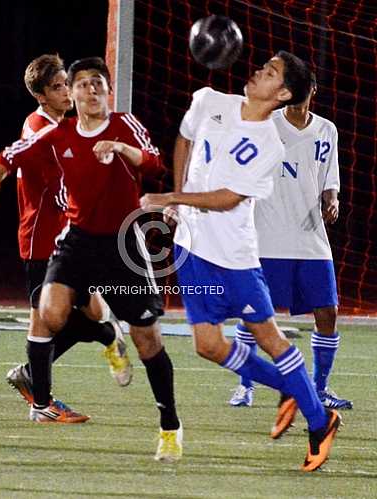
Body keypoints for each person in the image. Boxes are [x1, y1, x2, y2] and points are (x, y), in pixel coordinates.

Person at [140, 51, 342, 472]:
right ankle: (289, 387)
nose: (257, 72)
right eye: (262, 66)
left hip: (234, 258)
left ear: (283, 93)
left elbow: (229, 198)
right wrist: (179, 200)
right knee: (208, 345)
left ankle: (320, 421)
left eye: (269, 73)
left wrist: (171, 198)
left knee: (268, 337)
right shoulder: (209, 100)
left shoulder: (271, 143)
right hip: (192, 250)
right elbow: (184, 138)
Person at [0, 57, 182, 463]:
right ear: (72, 94)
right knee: (50, 313)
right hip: (76, 240)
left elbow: (154, 163)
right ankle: (50, 387)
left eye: (97, 83)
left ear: (107, 91)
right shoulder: (55, 132)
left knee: (147, 339)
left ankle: (169, 425)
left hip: (123, 244)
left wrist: (119, 149)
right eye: (80, 84)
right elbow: (12, 153)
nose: (89, 89)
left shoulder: (124, 125)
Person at [0, 54, 132, 423]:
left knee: (91, 309)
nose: (67, 90)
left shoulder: (65, 126)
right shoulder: (38, 126)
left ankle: (40, 373)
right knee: (45, 319)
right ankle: (42, 403)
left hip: (68, 237)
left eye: (67, 83)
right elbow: (10, 157)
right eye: (59, 86)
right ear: (42, 95)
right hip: (41, 238)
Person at [229, 73, 352, 410]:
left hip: (311, 236)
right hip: (267, 237)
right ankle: (245, 387)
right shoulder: (266, 124)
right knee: (252, 314)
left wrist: (333, 199)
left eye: (303, 86)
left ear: (313, 89)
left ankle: (319, 388)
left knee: (327, 312)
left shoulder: (327, 130)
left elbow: (330, 177)